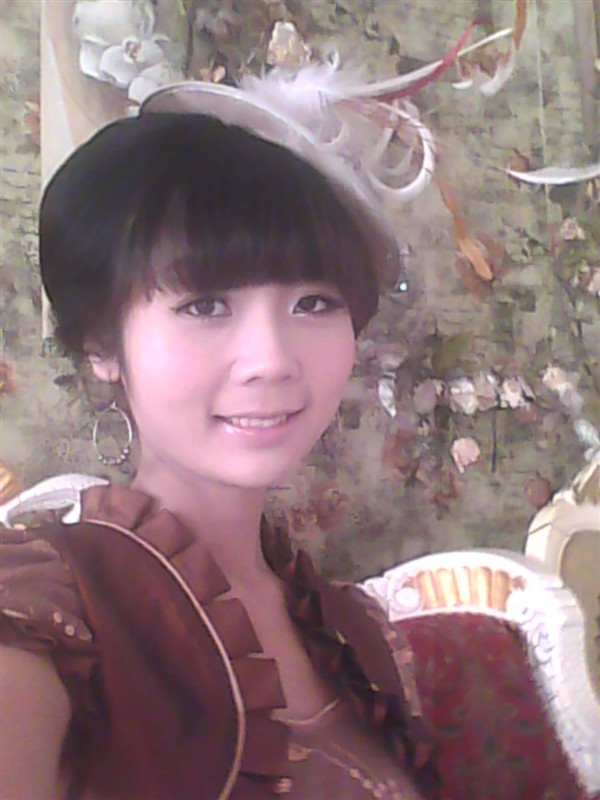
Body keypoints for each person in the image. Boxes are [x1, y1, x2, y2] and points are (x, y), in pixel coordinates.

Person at [0, 74, 438, 799]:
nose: (271, 360)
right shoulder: (53, 608)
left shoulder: (354, 635)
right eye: (205, 305)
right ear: (103, 345)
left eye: (313, 302)